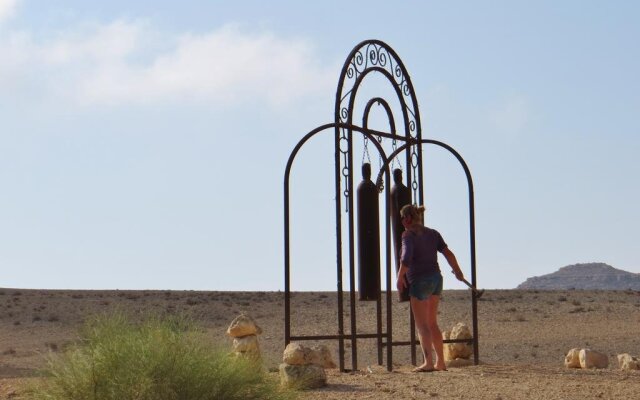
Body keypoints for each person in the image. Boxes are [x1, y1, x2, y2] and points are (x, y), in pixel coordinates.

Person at [396, 204, 465, 372]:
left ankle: (428, 362)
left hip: (420, 282)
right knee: (433, 323)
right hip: (436, 280)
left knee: (422, 325)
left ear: (407, 219)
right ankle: (440, 362)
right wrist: (458, 271)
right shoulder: (433, 233)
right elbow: (448, 253)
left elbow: (406, 257)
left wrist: (400, 277)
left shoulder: (408, 235)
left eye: (402, 219)